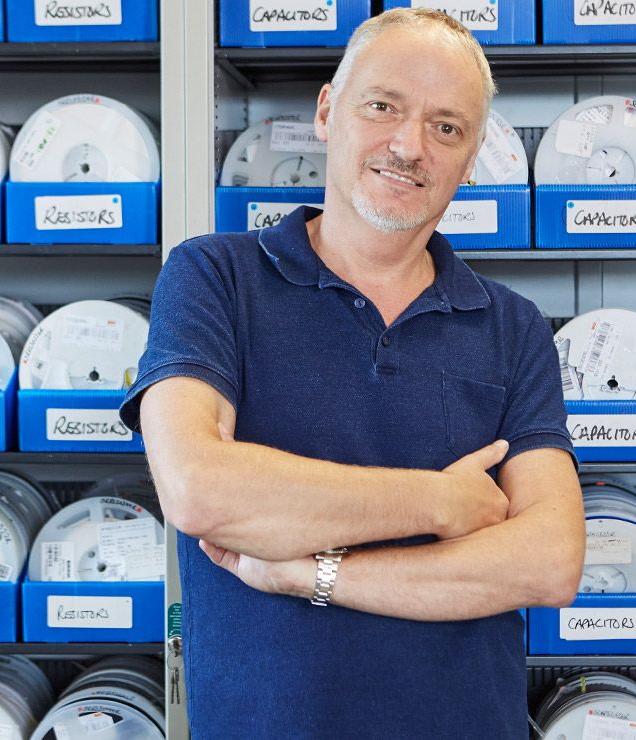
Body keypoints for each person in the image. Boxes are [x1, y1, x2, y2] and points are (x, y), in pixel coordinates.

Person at [123, 8, 584, 738]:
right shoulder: (214, 277)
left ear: (469, 162)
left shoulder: (512, 326)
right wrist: (440, 504)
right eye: (382, 106)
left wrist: (312, 573)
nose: (409, 145)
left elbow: (548, 562)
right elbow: (200, 489)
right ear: (329, 111)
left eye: (446, 127)